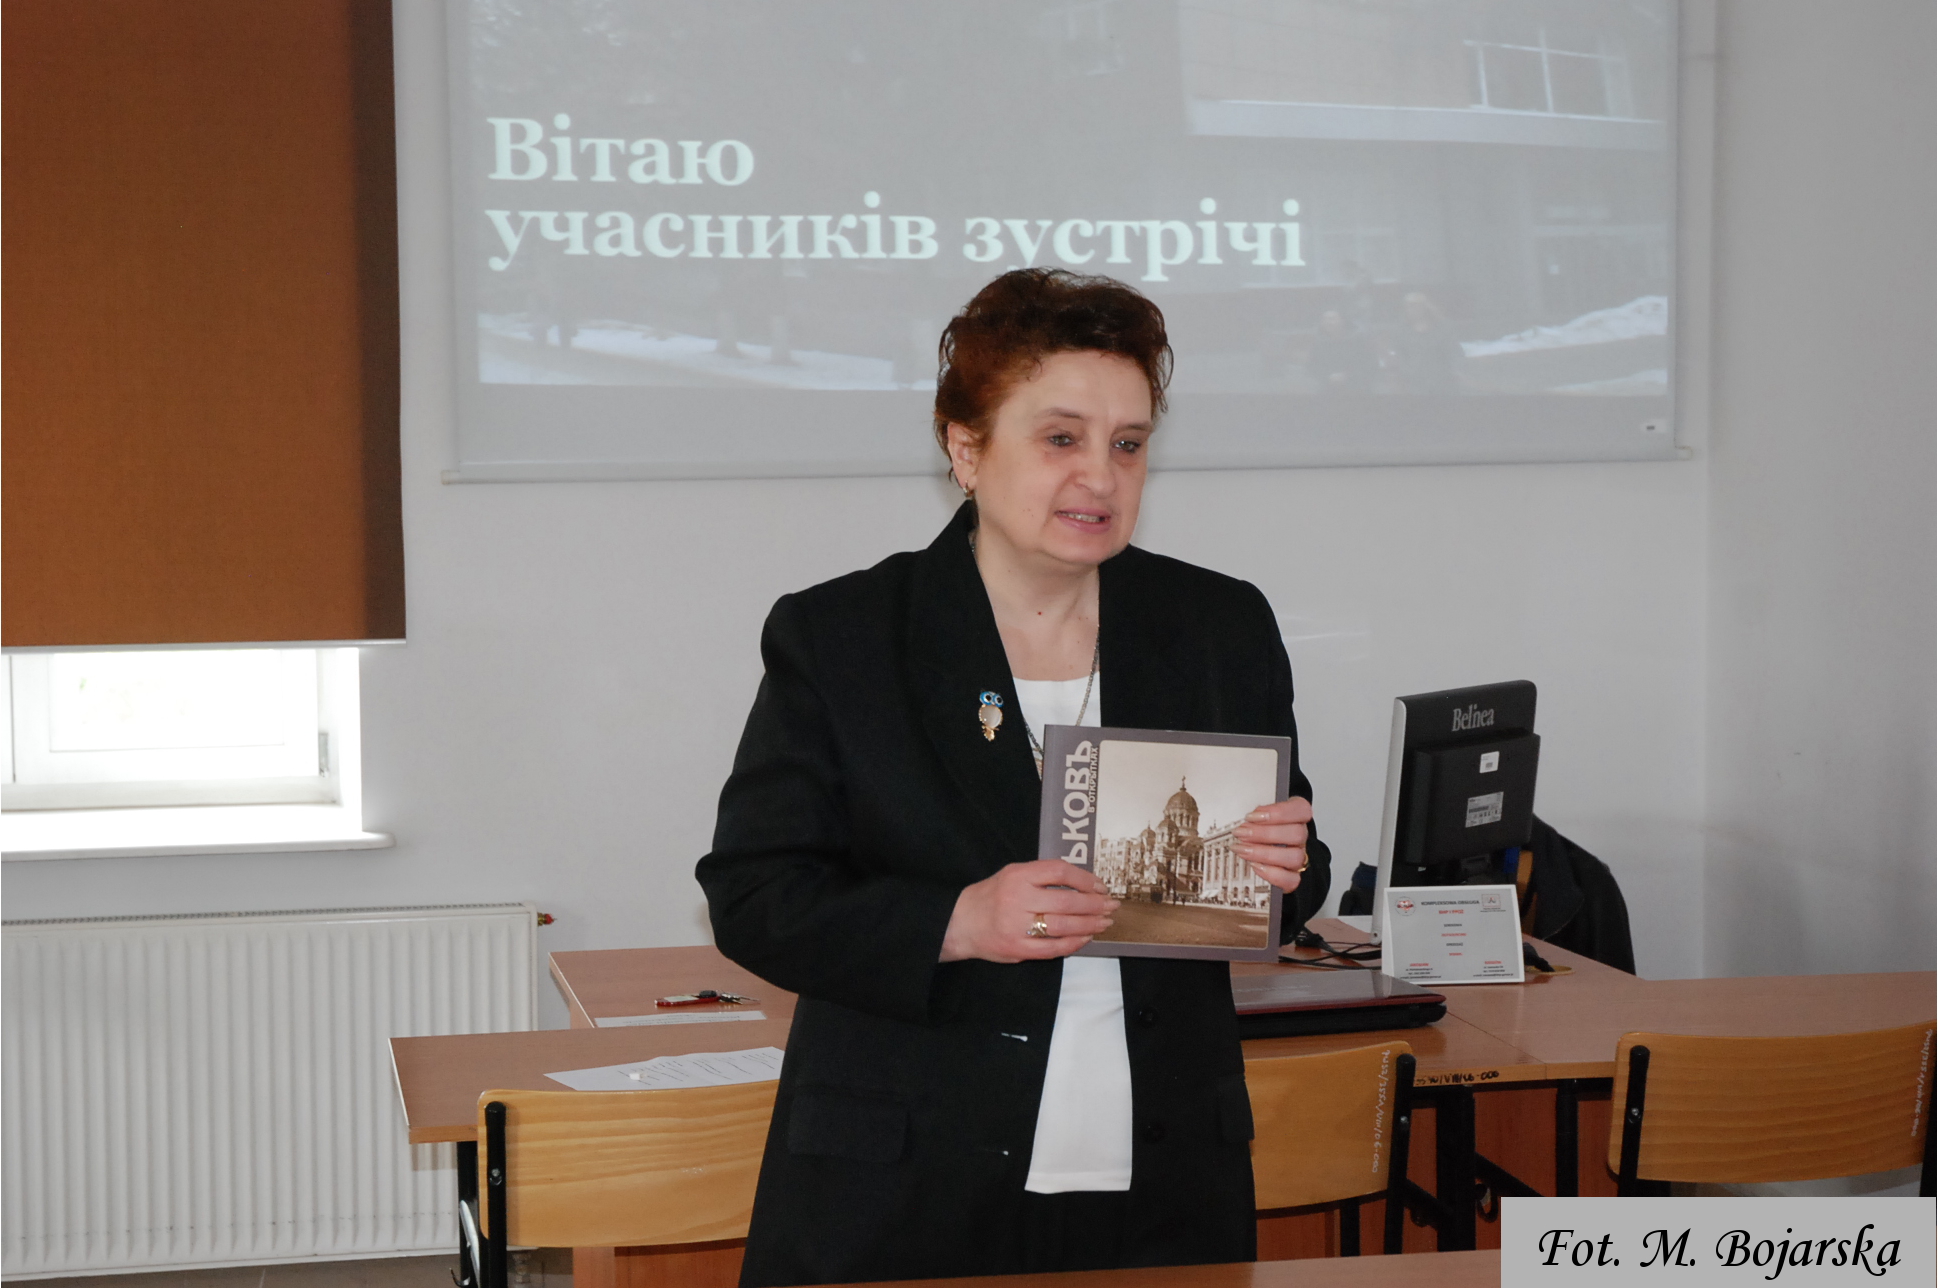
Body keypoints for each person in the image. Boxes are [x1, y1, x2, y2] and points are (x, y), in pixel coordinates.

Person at [697, 268, 1333, 1287]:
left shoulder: (1219, 625)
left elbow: (1290, 880)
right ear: (966, 449)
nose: (1101, 477)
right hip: (908, 1188)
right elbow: (755, 896)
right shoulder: (847, 635)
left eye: (1128, 444)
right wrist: (957, 920)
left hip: (1164, 1184)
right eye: (1061, 438)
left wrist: (1284, 866)